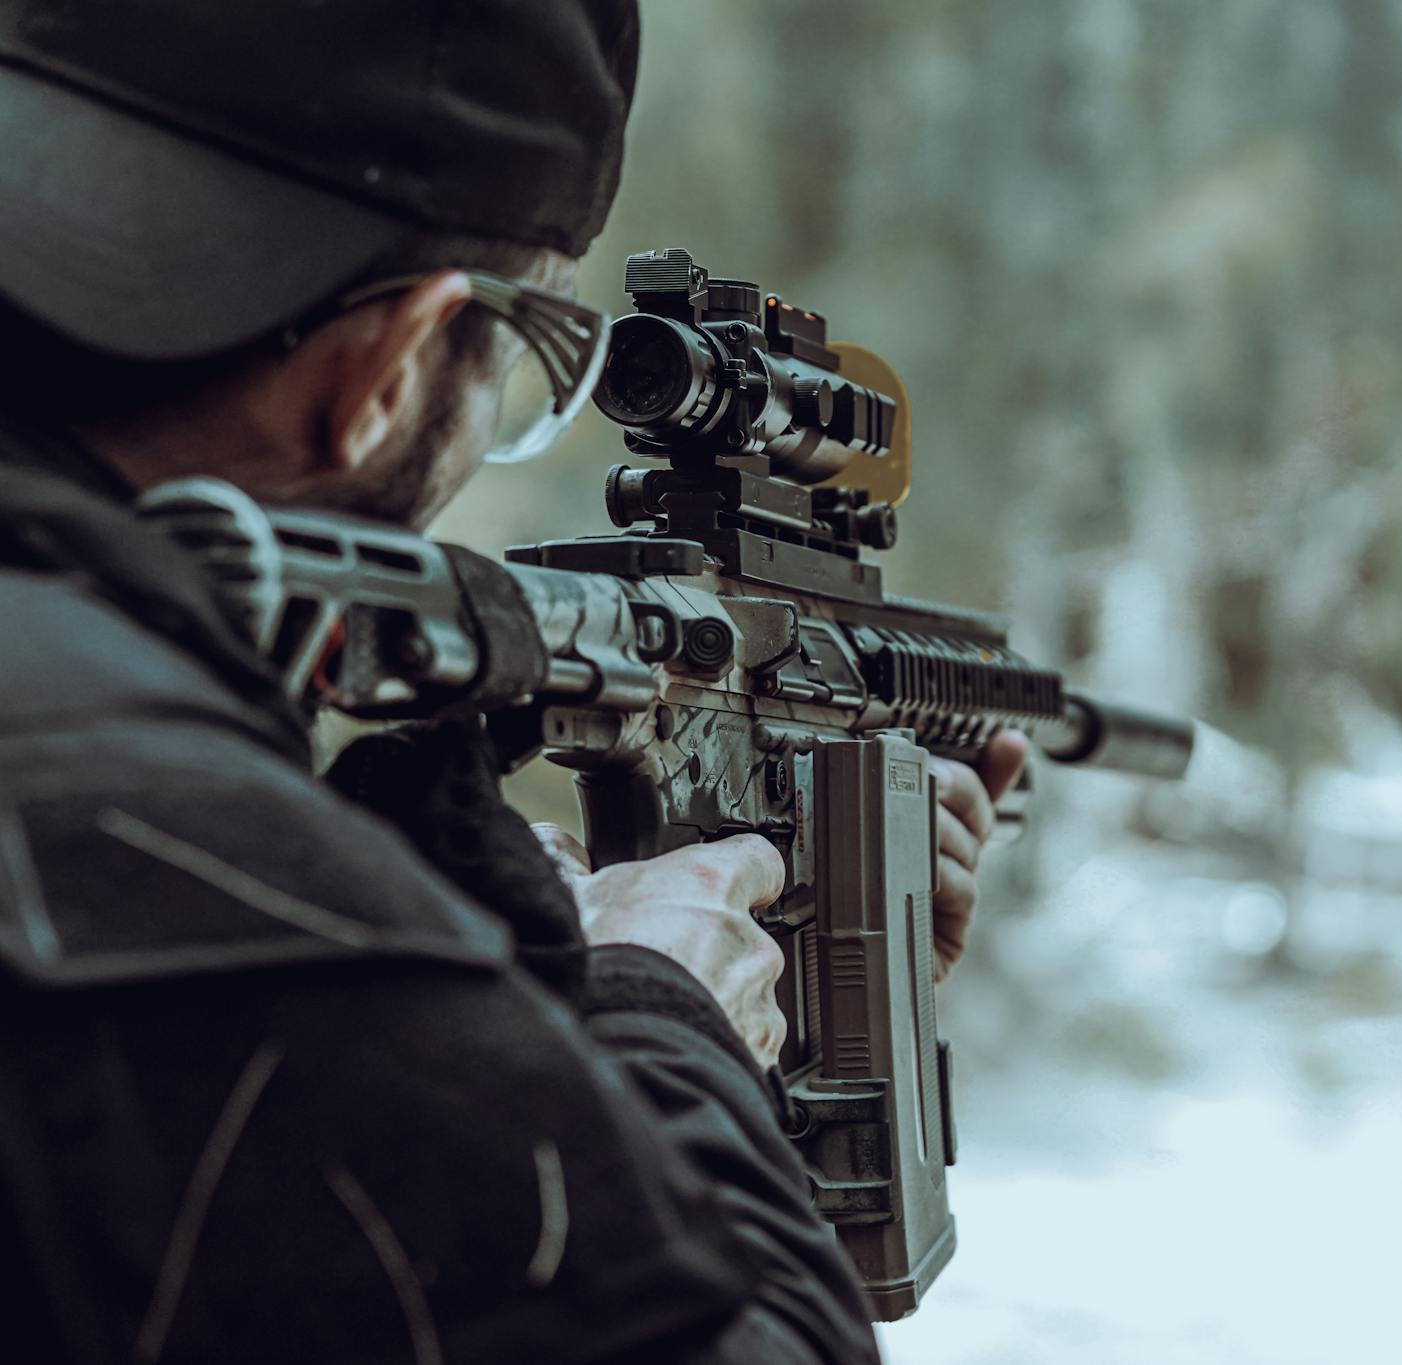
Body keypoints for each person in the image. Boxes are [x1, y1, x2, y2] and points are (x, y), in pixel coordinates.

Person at [0, 2, 1027, 1361]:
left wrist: (467, 959)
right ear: (388, 368)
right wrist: (666, 1024)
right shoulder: (215, 901)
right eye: (519, 364)